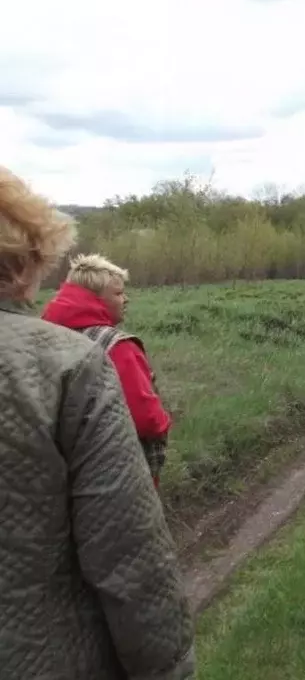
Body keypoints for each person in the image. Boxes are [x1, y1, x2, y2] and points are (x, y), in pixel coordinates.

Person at [0, 166, 195, 678]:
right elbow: (130, 564)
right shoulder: (72, 362)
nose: (125, 300)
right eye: (118, 293)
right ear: (22, 263)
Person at [42, 253, 172, 489]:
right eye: (119, 293)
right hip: (118, 475)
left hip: (53, 472)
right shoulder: (118, 346)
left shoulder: (43, 335)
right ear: (94, 299)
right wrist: (164, 423)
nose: (126, 299)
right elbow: (147, 420)